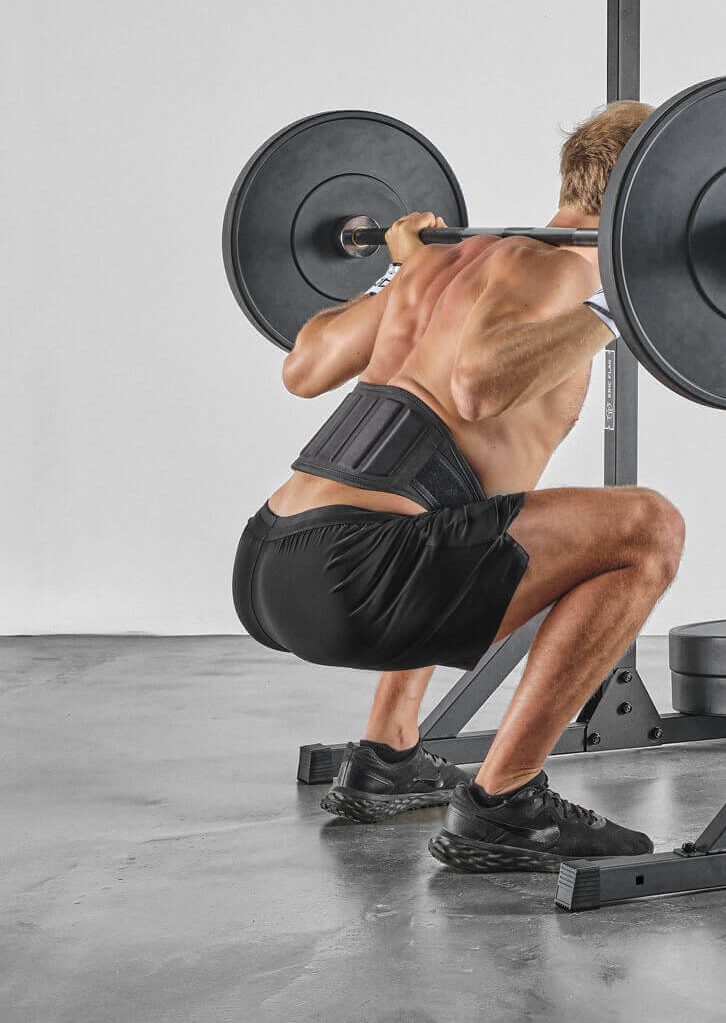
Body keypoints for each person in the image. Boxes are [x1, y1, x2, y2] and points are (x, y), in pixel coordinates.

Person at [231, 100, 683, 872]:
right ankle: (506, 804)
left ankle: (389, 752)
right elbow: (476, 387)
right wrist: (621, 305)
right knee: (649, 528)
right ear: (650, 193)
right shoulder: (568, 270)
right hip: (354, 579)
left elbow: (302, 368)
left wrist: (395, 271)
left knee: (468, 520)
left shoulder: (439, 263)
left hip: (270, 557)